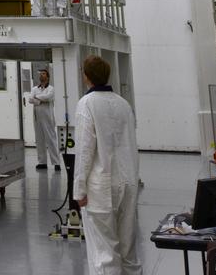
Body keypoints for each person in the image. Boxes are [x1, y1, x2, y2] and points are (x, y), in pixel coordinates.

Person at [73, 54, 142, 275]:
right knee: (129, 252)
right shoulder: (123, 104)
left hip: (100, 189)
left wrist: (79, 190)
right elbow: (131, 144)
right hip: (128, 183)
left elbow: (84, 151)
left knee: (105, 254)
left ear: (86, 76)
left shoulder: (87, 104)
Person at [28, 68, 62, 172]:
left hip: (48, 118)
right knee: (39, 140)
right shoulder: (34, 88)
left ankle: (56, 163)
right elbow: (30, 99)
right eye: (41, 74)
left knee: (51, 139)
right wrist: (40, 100)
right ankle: (42, 162)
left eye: (44, 74)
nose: (41, 75)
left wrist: (37, 98)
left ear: (48, 77)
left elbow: (49, 97)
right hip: (37, 118)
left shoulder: (51, 88)